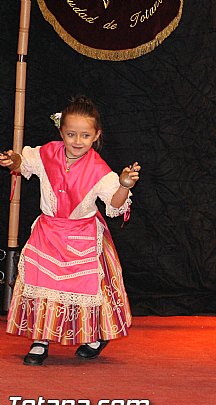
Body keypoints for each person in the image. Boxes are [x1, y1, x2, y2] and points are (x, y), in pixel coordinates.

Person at [1, 96, 140, 366]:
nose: (78, 141)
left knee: (85, 287)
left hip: (82, 236)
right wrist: (13, 160)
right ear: (61, 132)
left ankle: (93, 336)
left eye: (85, 135)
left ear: (96, 135)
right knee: (41, 283)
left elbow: (114, 204)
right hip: (48, 233)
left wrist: (124, 185)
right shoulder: (45, 154)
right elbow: (24, 163)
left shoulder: (99, 170)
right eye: (71, 134)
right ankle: (40, 339)